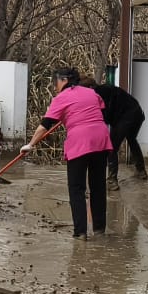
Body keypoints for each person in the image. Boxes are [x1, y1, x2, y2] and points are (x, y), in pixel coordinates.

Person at [28, 68, 114, 238]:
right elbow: (101, 114)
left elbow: (45, 125)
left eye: (56, 82)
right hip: (101, 139)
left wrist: (30, 145)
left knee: (77, 188)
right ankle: (99, 230)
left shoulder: (61, 98)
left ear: (64, 80)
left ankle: (81, 232)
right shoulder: (92, 93)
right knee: (98, 186)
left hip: (80, 142)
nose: (54, 87)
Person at [86, 74, 147, 188]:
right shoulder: (106, 89)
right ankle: (141, 171)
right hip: (137, 113)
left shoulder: (98, 95)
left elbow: (103, 117)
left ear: (90, 88)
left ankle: (112, 181)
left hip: (126, 117)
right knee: (132, 140)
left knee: (112, 147)